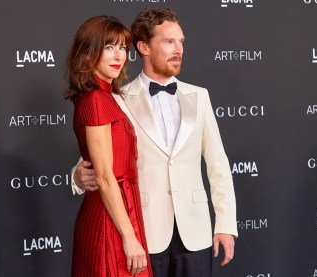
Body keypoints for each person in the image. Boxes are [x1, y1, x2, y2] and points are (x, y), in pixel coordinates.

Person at [72, 8, 237, 277]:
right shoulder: (118, 98)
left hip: (194, 232)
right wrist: (78, 177)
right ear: (144, 47)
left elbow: (218, 164)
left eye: (181, 42)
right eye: (168, 41)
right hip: (144, 232)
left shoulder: (199, 96)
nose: (178, 49)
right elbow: (98, 159)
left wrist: (226, 224)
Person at [66, 15, 152, 277]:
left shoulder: (108, 96)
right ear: (90, 52)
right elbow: (104, 175)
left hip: (121, 210)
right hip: (110, 218)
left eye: (123, 48)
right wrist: (128, 236)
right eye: (109, 47)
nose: (119, 56)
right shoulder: (95, 99)